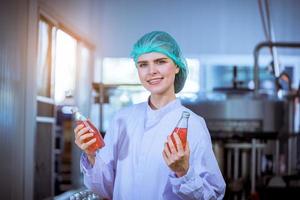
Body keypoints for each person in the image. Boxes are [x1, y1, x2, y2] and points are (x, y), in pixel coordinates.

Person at [74, 31, 226, 199]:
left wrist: (183, 173)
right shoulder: (122, 119)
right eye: (143, 64)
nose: (151, 71)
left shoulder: (193, 124)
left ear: (177, 66)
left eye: (160, 62)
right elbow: (106, 189)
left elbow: (213, 196)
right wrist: (91, 154)